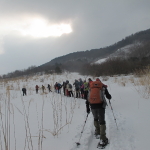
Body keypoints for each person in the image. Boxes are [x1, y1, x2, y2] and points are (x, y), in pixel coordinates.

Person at [86, 78, 111, 148]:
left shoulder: (91, 87)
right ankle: (103, 139)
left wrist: (87, 108)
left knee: (95, 118)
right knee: (102, 121)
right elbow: (108, 96)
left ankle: (97, 132)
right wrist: (109, 97)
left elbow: (87, 98)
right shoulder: (102, 87)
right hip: (101, 106)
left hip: (92, 106)